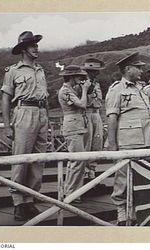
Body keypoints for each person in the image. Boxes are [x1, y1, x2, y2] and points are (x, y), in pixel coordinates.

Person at [1, 31, 49, 221]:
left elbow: (44, 97)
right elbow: (5, 99)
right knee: (21, 160)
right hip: (23, 113)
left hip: (42, 114)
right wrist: (6, 126)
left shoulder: (40, 70)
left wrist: (47, 120)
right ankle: (18, 202)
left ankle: (30, 200)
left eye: (36, 44)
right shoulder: (13, 71)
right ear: (23, 49)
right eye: (32, 45)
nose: (36, 47)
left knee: (38, 160)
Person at [105, 52, 150, 226]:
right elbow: (111, 117)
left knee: (140, 178)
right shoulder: (117, 89)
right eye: (138, 67)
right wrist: (112, 145)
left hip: (145, 141)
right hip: (127, 141)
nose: (141, 70)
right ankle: (122, 212)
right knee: (122, 179)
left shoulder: (140, 88)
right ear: (127, 69)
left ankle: (136, 211)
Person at [58, 65, 91, 203]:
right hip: (72, 127)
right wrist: (84, 89)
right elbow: (82, 104)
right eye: (79, 77)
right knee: (77, 160)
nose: (81, 79)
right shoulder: (65, 91)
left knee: (80, 161)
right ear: (71, 77)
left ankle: (76, 191)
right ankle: (70, 192)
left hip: (79, 126)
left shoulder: (72, 90)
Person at [81, 58, 105, 180]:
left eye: (96, 71)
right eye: (92, 71)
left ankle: (92, 172)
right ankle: (84, 173)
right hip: (86, 113)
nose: (96, 73)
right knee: (87, 143)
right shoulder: (82, 84)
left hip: (96, 113)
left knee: (97, 144)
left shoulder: (96, 84)